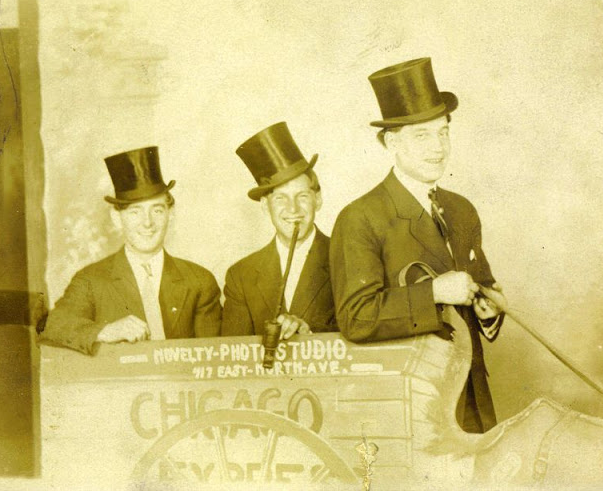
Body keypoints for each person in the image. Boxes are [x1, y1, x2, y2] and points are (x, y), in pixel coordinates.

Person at [329, 58, 506, 433]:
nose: (438, 148)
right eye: (422, 136)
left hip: (472, 397)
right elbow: (356, 317)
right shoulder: (359, 217)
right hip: (407, 406)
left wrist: (489, 309)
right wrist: (435, 292)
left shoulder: (461, 209)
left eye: (443, 133)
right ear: (392, 142)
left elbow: (483, 286)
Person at [42, 146, 222, 355]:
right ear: (117, 218)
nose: (147, 223)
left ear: (170, 215)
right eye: (135, 212)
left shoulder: (199, 281)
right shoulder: (90, 280)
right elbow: (54, 326)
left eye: (157, 210)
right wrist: (103, 331)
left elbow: (213, 357)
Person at [222, 122, 337, 339]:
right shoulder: (241, 276)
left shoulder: (347, 259)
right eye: (281, 199)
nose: (293, 209)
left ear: (318, 200)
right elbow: (234, 352)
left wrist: (310, 332)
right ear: (266, 206)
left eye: (302, 196)